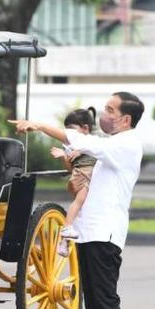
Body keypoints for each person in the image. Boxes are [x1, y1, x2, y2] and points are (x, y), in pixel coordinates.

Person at [9, 91, 145, 309]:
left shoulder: (126, 144)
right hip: (90, 230)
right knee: (94, 304)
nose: (104, 115)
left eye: (110, 110)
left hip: (104, 233)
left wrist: (39, 126)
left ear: (125, 119)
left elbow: (81, 142)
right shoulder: (113, 144)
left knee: (105, 303)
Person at [50, 107, 98, 257]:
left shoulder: (93, 141)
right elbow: (71, 168)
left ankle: (65, 241)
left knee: (80, 212)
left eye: (71, 129)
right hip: (82, 176)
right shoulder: (71, 145)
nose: (68, 133)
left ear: (85, 128)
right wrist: (64, 156)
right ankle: (66, 228)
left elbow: (95, 148)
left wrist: (81, 149)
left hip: (88, 176)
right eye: (67, 130)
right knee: (78, 203)